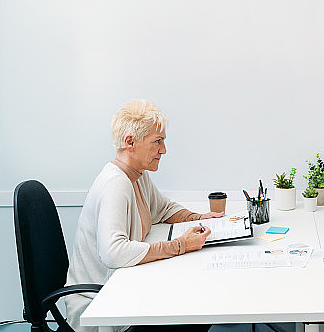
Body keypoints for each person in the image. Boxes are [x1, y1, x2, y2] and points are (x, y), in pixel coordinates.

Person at [65, 100, 224, 332]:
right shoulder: (115, 184)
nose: (163, 150)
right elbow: (113, 252)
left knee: (195, 302)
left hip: (121, 291)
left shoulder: (137, 175)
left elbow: (163, 209)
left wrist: (199, 217)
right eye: (157, 142)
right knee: (198, 309)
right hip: (101, 310)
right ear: (130, 142)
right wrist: (180, 245)